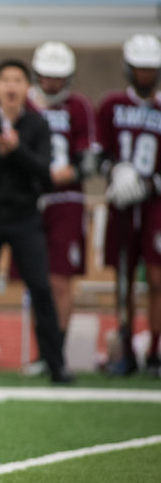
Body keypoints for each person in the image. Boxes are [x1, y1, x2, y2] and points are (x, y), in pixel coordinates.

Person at [0, 59, 72, 384]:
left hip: (25, 217)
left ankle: (56, 365)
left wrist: (17, 148)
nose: (11, 86)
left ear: (28, 87)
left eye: (18, 80)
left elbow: (45, 173)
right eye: (6, 79)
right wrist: (0, 153)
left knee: (41, 288)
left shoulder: (37, 124)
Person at [20, 41, 95, 372]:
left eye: (57, 77)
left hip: (65, 199)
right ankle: (42, 351)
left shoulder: (78, 107)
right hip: (30, 199)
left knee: (61, 280)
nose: (51, 84)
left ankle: (57, 351)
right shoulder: (24, 105)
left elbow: (87, 161)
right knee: (36, 280)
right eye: (46, 77)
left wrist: (51, 176)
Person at [96, 33, 161, 377]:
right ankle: (125, 347)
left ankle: (154, 350)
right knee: (122, 276)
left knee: (156, 276)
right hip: (120, 202)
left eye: (150, 70)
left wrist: (150, 183)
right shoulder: (111, 105)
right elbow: (97, 155)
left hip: (156, 206)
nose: (145, 76)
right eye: (140, 70)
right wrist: (114, 170)